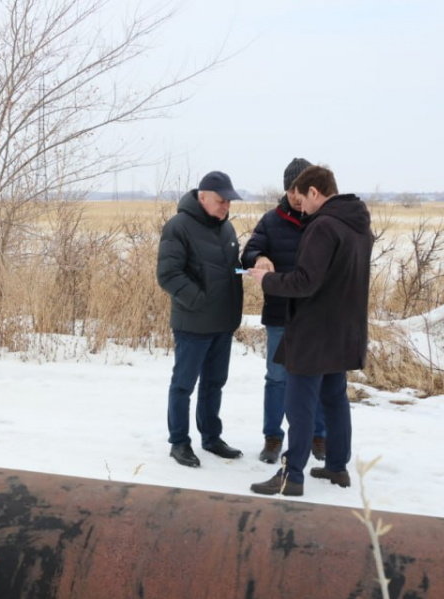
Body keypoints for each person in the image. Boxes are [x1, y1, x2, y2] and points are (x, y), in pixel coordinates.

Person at [244, 165, 372, 496]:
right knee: (334, 398)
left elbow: (305, 281)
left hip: (314, 332)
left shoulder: (324, 226)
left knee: (299, 403)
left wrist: (266, 280)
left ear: (314, 192)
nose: (301, 207)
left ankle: (292, 475)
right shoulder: (357, 224)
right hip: (344, 329)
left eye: (302, 199)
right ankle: (337, 467)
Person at [241, 157, 329, 465]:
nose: (295, 194)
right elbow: (247, 252)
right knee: (277, 377)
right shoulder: (271, 220)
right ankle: (272, 437)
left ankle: (319, 437)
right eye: (291, 188)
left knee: (315, 377)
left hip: (315, 315)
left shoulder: (323, 220)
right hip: (280, 313)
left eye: (300, 188)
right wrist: (260, 256)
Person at [157, 170, 245, 468]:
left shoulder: (227, 229)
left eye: (229, 202)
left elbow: (230, 270)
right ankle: (179, 443)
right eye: (222, 201)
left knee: (214, 383)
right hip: (193, 324)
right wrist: (200, 301)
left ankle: (211, 437)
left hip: (223, 323)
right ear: (203, 196)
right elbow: (168, 274)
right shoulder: (178, 227)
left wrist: (253, 271)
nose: (226, 207)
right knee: (183, 385)